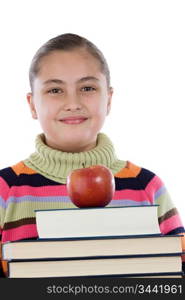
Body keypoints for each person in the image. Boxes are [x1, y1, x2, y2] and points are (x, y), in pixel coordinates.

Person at [0, 33, 184, 277]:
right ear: (32, 105)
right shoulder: (6, 189)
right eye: (55, 90)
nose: (73, 103)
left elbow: (176, 270)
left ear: (108, 99)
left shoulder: (147, 186)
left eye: (87, 88)